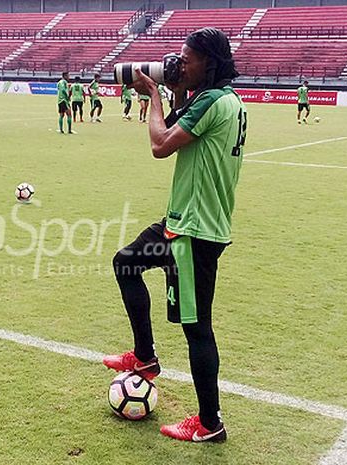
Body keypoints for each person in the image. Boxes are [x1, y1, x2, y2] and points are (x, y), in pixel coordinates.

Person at [103, 27, 246, 443]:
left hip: (193, 230)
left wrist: (153, 96)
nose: (179, 65)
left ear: (210, 63)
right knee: (126, 262)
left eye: (187, 60)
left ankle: (209, 422)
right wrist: (178, 90)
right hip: (183, 222)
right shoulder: (226, 100)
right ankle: (144, 358)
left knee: (197, 327)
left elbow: (162, 144)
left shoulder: (213, 100)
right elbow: (183, 124)